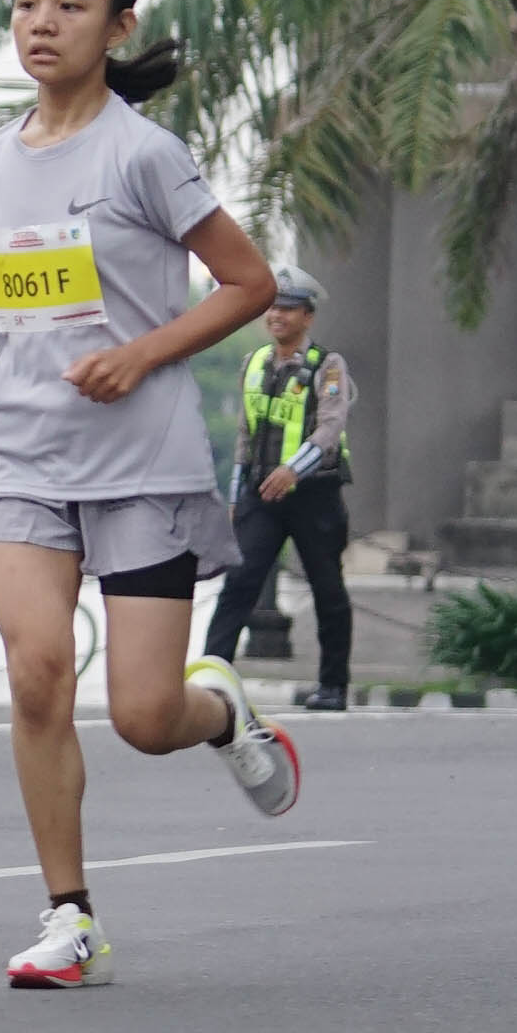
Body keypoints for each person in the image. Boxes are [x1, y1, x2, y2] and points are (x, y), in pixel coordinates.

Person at [0, 0, 291, 995]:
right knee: (35, 673)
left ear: (116, 28)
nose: (41, 22)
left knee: (145, 718)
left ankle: (221, 711)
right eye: (28, 3)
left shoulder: (143, 155)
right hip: (23, 457)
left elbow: (248, 284)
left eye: (68, 5)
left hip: (143, 464)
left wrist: (141, 354)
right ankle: (70, 918)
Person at [202, 271, 357, 712]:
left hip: (314, 495)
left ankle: (333, 687)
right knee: (238, 584)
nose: (277, 316)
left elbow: (331, 427)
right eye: (272, 307)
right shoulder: (253, 363)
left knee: (328, 590)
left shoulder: (328, 366)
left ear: (307, 316)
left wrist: (293, 470)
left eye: (288, 308)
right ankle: (210, 681)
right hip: (261, 496)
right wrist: (236, 498)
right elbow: (245, 435)